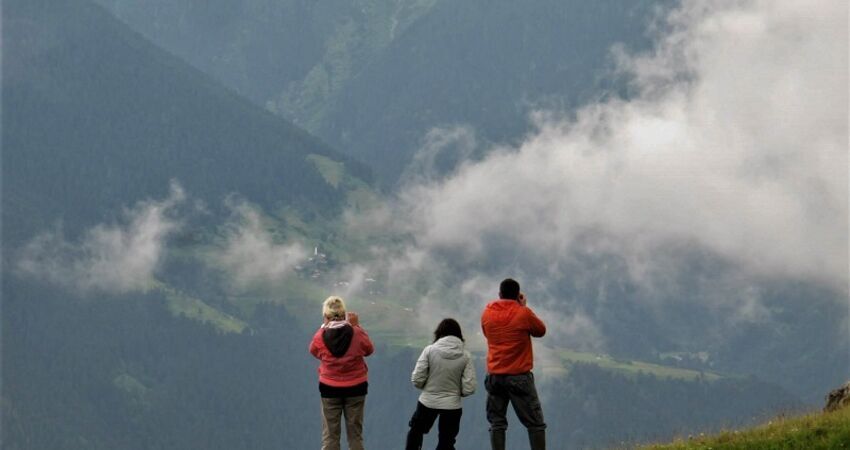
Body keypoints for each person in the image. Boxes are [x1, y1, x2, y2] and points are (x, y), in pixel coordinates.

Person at [480, 278, 547, 450]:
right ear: (518, 295)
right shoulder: (523, 313)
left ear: (499, 294)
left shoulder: (487, 313)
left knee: (497, 423)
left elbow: (487, 334)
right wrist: (523, 306)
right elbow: (540, 330)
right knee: (535, 424)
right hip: (519, 377)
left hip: (495, 376)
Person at [310, 296, 374, 450]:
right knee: (355, 435)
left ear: (326, 316)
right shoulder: (356, 333)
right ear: (344, 314)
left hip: (329, 388)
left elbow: (313, 351)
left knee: (330, 435)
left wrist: (323, 327)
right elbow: (369, 350)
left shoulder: (320, 336)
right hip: (356, 387)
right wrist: (356, 326)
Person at [406, 318, 477, 450]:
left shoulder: (429, 350)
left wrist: (427, 388)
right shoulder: (465, 356)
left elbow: (417, 379)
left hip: (427, 402)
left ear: (439, 333)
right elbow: (470, 387)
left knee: (416, 430)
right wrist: (455, 393)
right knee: (447, 441)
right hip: (452, 406)